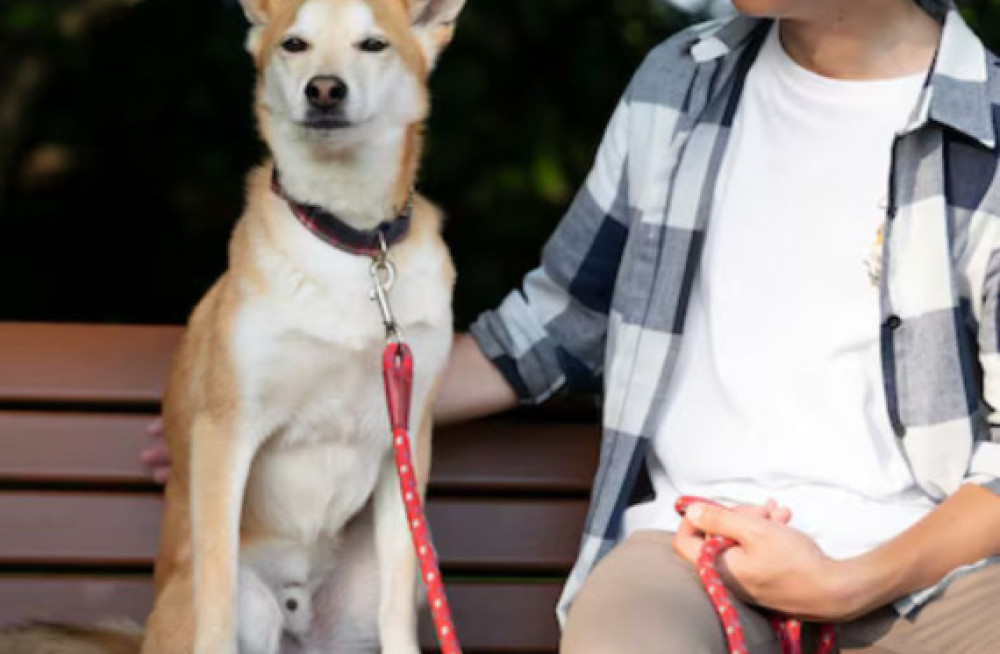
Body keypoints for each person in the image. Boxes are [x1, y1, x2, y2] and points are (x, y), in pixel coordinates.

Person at [144, 0, 1000, 651]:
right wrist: (260, 408)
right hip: (687, 558)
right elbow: (557, 326)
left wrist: (853, 582)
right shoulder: (683, 80)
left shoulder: (988, 129)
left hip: (939, 575)